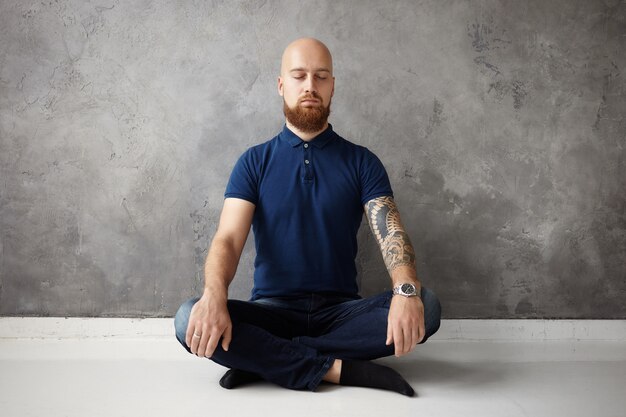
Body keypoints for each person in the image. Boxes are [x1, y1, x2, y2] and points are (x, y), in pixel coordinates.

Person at [174, 37, 441, 397]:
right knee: (186, 318)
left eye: (321, 77)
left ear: (333, 86)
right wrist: (213, 297)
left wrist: (406, 289)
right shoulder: (254, 162)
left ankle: (265, 359)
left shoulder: (362, 161)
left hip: (342, 313)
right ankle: (340, 370)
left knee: (429, 305)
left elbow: (390, 230)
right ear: (281, 84)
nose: (310, 86)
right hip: (272, 311)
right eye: (299, 76)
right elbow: (228, 240)